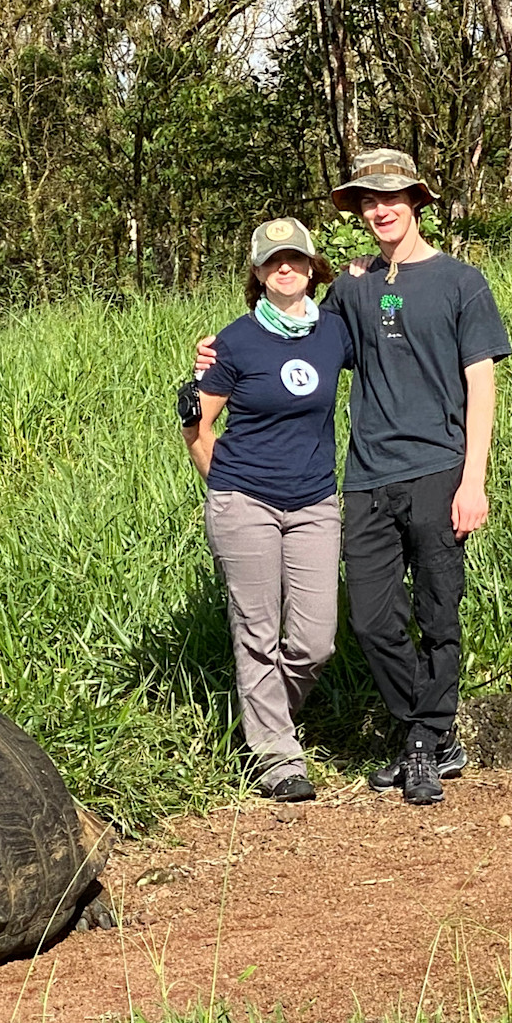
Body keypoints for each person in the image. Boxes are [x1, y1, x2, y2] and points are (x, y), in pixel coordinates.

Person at [197, 149, 511, 806]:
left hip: (439, 468)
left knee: (436, 612)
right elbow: (293, 344)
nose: (380, 208)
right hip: (366, 478)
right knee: (370, 622)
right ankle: (419, 732)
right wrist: (214, 358)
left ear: (417, 202)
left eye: (392, 196)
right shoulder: (351, 291)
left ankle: (427, 740)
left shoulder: (461, 282)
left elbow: (481, 384)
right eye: (368, 199)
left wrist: (473, 479)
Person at [183, 217, 354, 803]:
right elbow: (196, 425)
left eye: (297, 259)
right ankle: (277, 757)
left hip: (314, 502)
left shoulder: (335, 332)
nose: (286, 268)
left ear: (312, 267)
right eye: (273, 261)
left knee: (315, 641)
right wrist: (227, 487)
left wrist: (368, 272)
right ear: (258, 273)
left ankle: (262, 723)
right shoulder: (232, 342)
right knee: (257, 633)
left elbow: (383, 323)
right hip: (244, 502)